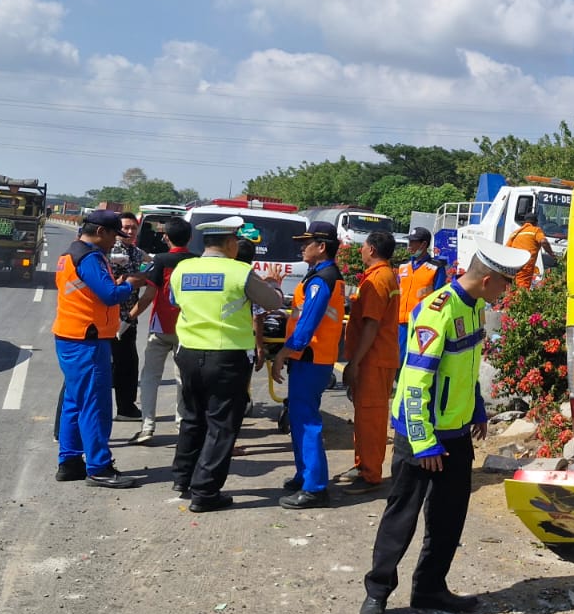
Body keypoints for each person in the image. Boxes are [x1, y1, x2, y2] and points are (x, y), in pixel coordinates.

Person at [357, 243, 530, 614]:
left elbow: (464, 368)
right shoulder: (438, 311)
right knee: (402, 517)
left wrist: (477, 407)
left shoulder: (475, 307)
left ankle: (431, 589)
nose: (506, 291)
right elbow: (417, 381)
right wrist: (423, 442)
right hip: (421, 435)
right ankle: (377, 594)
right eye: (505, 284)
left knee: (449, 517)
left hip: (455, 432)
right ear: (488, 280)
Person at [168, 216, 284, 513]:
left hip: (188, 353)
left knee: (193, 416)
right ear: (231, 243)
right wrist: (273, 286)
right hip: (226, 357)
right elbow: (272, 303)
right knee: (221, 424)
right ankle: (205, 491)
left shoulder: (183, 269)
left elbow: (175, 300)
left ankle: (182, 478)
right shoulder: (239, 272)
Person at [54, 210, 148, 488]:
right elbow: (109, 296)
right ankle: (99, 467)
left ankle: (70, 462)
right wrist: (129, 284)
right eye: (113, 236)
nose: (114, 242)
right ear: (101, 232)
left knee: (75, 401)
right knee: (95, 405)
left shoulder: (68, 254)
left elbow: (87, 292)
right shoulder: (91, 257)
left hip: (70, 336)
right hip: (88, 339)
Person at [270, 220, 345, 509]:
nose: (302, 247)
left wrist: (284, 353)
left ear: (322, 247)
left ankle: (315, 487)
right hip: (313, 357)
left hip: (311, 357)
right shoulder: (322, 276)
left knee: (306, 420)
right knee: (300, 419)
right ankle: (305, 475)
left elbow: (307, 323)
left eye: (307, 243)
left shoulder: (322, 279)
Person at [341, 230, 401, 494]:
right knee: (364, 416)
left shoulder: (378, 280)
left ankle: (371, 474)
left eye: (363, 246)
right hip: (375, 358)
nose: (361, 250)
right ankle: (363, 464)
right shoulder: (382, 276)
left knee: (371, 418)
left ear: (373, 250)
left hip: (373, 359)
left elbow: (371, 325)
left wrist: (355, 363)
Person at [129, 215, 193, 445]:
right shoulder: (197, 262)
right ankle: (182, 425)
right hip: (188, 329)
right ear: (191, 237)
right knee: (182, 379)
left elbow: (148, 296)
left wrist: (127, 320)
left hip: (160, 328)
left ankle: (147, 426)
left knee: (150, 377)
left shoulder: (160, 260)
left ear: (166, 237)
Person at [110, 212, 146, 420]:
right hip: (111, 318)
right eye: (126, 227)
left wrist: (139, 277)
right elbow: (110, 282)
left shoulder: (135, 252)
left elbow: (149, 268)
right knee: (109, 366)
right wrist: (131, 280)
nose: (130, 231)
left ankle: (126, 408)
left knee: (128, 364)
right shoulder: (111, 251)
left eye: (134, 227)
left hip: (129, 317)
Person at [396, 227, 446, 359]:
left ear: (423, 244)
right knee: (397, 361)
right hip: (400, 323)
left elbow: (439, 298)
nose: (409, 245)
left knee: (415, 361)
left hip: (421, 325)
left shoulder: (436, 268)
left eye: (413, 242)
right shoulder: (403, 267)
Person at [505, 210, 554, 288]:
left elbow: (506, 249)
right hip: (525, 266)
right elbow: (543, 241)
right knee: (522, 290)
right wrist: (551, 254)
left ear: (524, 222)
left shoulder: (515, 233)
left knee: (511, 289)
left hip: (511, 266)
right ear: (536, 223)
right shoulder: (535, 230)